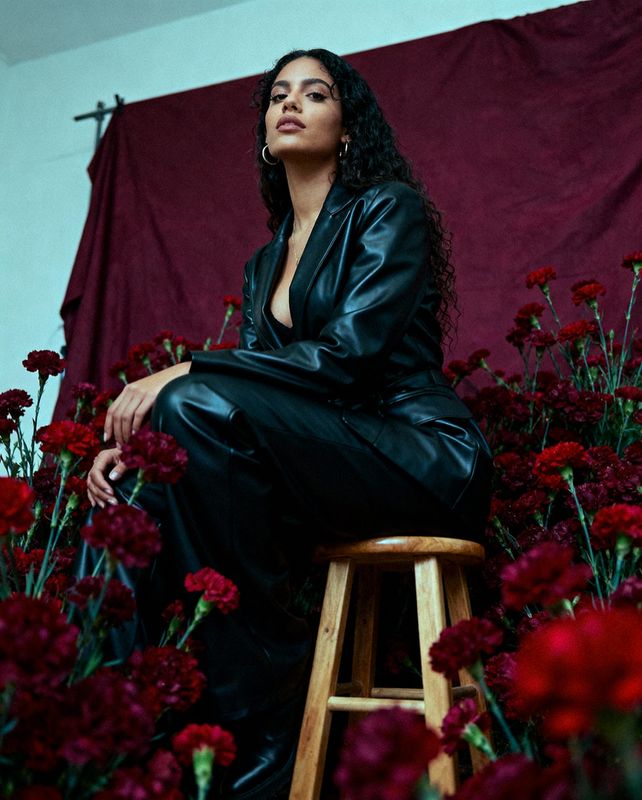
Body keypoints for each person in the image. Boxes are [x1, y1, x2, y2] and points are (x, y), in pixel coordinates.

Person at [86, 48, 492, 800]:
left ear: (346, 127)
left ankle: (266, 718)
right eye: (277, 96)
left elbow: (345, 361)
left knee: (193, 401)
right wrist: (140, 452)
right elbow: (258, 407)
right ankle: (113, 735)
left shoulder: (386, 209)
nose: (290, 104)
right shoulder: (263, 263)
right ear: (266, 128)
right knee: (137, 492)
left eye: (314, 93)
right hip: (324, 461)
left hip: (421, 457)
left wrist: (188, 367)